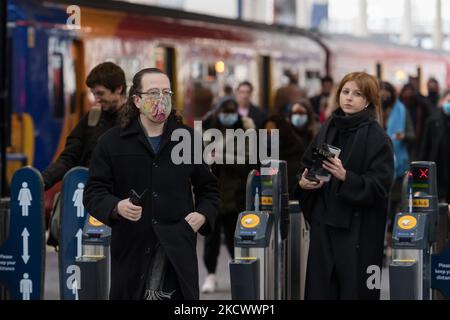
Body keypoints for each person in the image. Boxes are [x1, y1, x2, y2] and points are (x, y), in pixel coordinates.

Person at [83, 68, 219, 300]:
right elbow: (94, 192)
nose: (161, 99)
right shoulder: (111, 143)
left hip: (177, 249)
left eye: (166, 93)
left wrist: (203, 216)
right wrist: (116, 207)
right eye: (153, 93)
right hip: (131, 250)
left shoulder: (188, 139)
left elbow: (209, 189)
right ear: (137, 100)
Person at [296, 72, 394, 300]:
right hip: (324, 228)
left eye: (357, 94)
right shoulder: (328, 128)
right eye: (345, 92)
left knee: (355, 291)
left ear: (368, 101)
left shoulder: (378, 139)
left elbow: (380, 187)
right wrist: (304, 181)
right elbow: (308, 164)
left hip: (357, 234)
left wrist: (345, 176)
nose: (349, 98)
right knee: (321, 290)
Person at [42, 62, 127, 246]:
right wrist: (43, 181)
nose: (96, 99)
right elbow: (69, 157)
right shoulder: (92, 119)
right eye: (94, 94)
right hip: (87, 202)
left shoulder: (135, 122)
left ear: (119, 89)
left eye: (101, 94)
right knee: (86, 262)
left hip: (117, 209)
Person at [200, 97, 255, 293]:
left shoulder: (246, 133)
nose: (228, 115)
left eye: (232, 112)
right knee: (210, 238)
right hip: (212, 195)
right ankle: (210, 275)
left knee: (235, 238)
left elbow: (249, 161)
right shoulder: (207, 132)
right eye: (225, 111)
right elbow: (198, 159)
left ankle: (238, 275)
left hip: (236, 196)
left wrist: (223, 157)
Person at [420, 89, 450, 203]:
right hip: (438, 169)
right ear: (442, 101)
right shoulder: (432, 121)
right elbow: (425, 147)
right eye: (448, 101)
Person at [263, 114, 305, 196]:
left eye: (273, 133)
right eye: (267, 133)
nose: (269, 136)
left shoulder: (296, 151)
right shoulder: (261, 152)